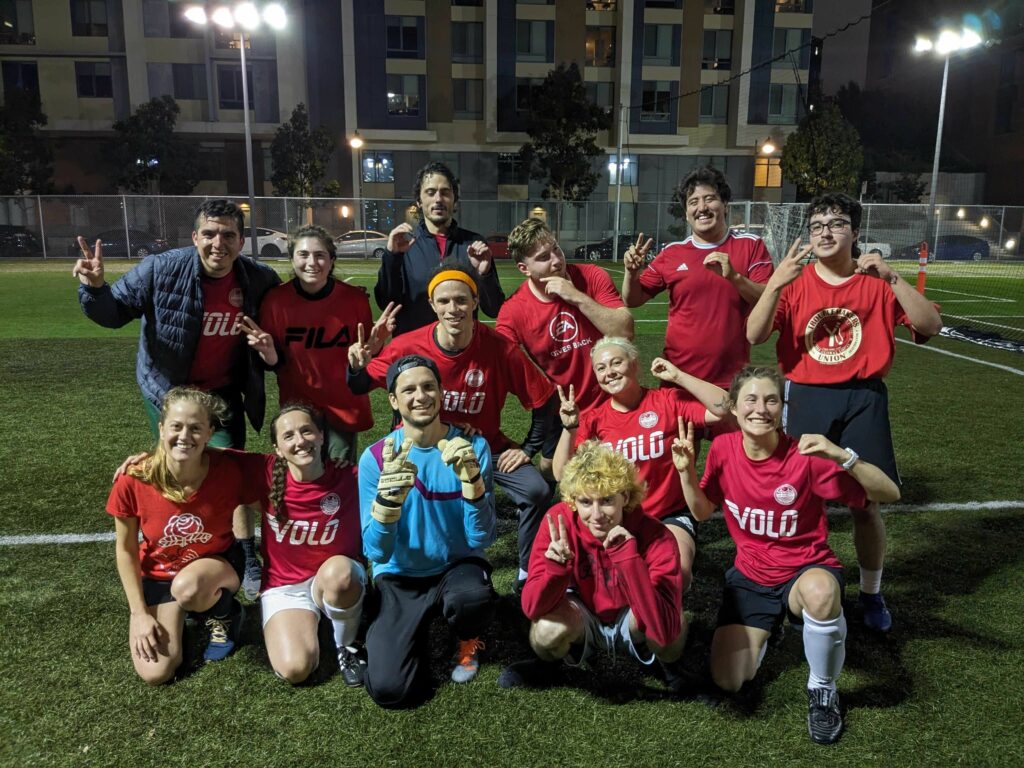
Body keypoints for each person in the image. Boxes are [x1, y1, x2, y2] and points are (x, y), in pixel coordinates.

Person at [745, 192, 942, 632]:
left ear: (854, 232)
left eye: (835, 224)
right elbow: (754, 333)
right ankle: (789, 584)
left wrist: (892, 278)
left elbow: (930, 325)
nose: (825, 232)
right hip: (807, 395)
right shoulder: (795, 281)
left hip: (863, 397)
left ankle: (871, 592)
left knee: (866, 505)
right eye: (817, 226)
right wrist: (776, 282)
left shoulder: (875, 280)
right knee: (794, 501)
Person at [673, 366, 900, 744]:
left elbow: (889, 493)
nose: (760, 409)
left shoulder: (807, 455)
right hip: (750, 575)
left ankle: (822, 689)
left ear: (783, 408)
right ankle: (773, 627)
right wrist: (685, 473)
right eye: (751, 399)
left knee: (821, 594)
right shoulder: (724, 449)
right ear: (733, 406)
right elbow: (700, 511)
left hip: (805, 570)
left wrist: (842, 455)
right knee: (728, 681)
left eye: (771, 400)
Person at [75, 199, 280, 598]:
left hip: (222, 393)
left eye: (228, 235)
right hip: (168, 390)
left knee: (230, 469)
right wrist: (95, 288)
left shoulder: (259, 280)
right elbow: (113, 313)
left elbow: (280, 332)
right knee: (179, 467)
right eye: (209, 233)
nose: (218, 243)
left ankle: (245, 554)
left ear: (241, 241)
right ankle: (173, 551)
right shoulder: (161, 268)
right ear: (194, 237)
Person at [350, 264, 554, 594]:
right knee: (402, 492)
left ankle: (526, 571)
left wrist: (526, 449)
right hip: (424, 445)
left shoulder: (500, 347)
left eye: (461, 300)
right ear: (432, 305)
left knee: (537, 491)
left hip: (484, 444)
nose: (453, 309)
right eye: (443, 301)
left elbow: (544, 401)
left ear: (475, 302)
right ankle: (406, 562)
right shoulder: (408, 345)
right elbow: (359, 383)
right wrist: (358, 363)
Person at [551, 337, 729, 648]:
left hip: (667, 515)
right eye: (601, 367)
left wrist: (679, 376)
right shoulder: (593, 419)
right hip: (616, 517)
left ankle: (653, 624)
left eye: (616, 363)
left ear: (634, 364)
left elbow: (725, 407)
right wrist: (569, 429)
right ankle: (630, 624)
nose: (609, 372)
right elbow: (559, 473)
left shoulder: (666, 400)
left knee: (681, 575)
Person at [358, 355, 497, 708]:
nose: (420, 396)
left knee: (472, 597)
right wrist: (387, 509)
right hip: (401, 574)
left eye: (428, 386)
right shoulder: (375, 458)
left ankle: (467, 639)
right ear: (393, 400)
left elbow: (481, 539)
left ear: (440, 392)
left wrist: (474, 488)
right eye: (409, 390)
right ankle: (407, 630)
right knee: (391, 690)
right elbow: (376, 553)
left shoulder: (472, 448)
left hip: (456, 565)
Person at [498, 441, 684, 690]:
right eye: (586, 502)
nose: (596, 515)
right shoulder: (558, 522)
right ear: (573, 500)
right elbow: (532, 609)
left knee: (676, 625)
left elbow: (664, 632)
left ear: (625, 496)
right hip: (581, 613)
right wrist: (556, 570)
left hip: (633, 616)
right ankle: (549, 666)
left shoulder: (655, 535)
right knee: (545, 632)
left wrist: (629, 559)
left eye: (606, 500)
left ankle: (666, 667)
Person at [107, 387, 261, 684]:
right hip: (160, 575)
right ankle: (183, 612)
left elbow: (284, 469)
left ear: (209, 433)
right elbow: (126, 550)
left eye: (195, 428)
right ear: (162, 427)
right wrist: (139, 614)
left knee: (188, 588)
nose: (184, 435)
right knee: (157, 672)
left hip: (216, 565)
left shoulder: (228, 469)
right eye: (176, 426)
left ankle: (225, 614)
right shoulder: (133, 478)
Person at [238, 225, 400, 463]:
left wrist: (376, 346)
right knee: (303, 477)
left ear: (331, 260)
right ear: (292, 259)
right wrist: (269, 355)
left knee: (337, 483)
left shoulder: (353, 299)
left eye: (320, 255)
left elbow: (363, 357)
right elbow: (275, 363)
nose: (311, 262)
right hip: (299, 409)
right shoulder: (276, 301)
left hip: (342, 407)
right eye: (303, 255)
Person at [496, 217, 634, 476]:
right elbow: (498, 362)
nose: (557, 261)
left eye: (556, 249)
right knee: (550, 470)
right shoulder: (513, 312)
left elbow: (625, 330)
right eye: (543, 257)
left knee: (614, 474)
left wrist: (576, 297)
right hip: (565, 410)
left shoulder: (591, 276)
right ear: (524, 268)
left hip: (611, 399)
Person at [621, 165, 773, 392]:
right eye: (693, 202)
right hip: (677, 378)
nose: (702, 208)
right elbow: (633, 300)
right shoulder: (672, 253)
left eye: (710, 199)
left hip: (730, 381)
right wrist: (631, 273)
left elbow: (768, 298)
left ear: (725, 205)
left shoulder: (750, 245)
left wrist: (735, 278)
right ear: (686, 213)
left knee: (729, 429)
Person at [375, 161, 504, 336]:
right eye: (430, 192)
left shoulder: (473, 244)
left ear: (454, 200)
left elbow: (494, 309)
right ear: (419, 201)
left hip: (460, 352)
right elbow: (386, 303)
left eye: (445, 192)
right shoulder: (404, 245)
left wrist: (485, 274)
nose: (438, 199)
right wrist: (392, 257)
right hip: (415, 353)